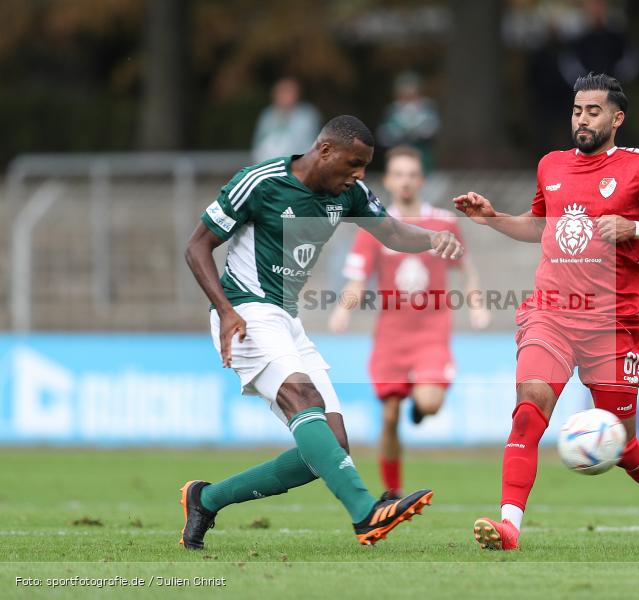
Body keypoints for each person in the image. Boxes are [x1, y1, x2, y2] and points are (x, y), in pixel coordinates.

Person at [181, 116, 463, 549]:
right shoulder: (260, 181)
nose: (359, 175)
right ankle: (366, 513)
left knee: (330, 449)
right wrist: (225, 312)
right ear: (324, 151)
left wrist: (432, 239)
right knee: (303, 399)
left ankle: (207, 499)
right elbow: (197, 246)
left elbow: (389, 231)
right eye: (354, 164)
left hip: (287, 319)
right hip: (245, 311)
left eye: (365, 167)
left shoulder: (348, 192)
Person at [454, 72, 639, 551]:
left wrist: (637, 230)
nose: (582, 119)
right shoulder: (550, 165)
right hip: (551, 313)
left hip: (612, 324)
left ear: (617, 118)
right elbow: (541, 227)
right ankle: (509, 527)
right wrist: (492, 218)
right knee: (529, 410)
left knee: (622, 444)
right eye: (576, 110)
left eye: (593, 111)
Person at [328, 145, 490, 499]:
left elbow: (466, 269)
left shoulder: (443, 224)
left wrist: (477, 305)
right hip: (391, 335)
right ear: (388, 180)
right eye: (398, 174)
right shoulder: (374, 228)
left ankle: (419, 404)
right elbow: (357, 281)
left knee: (430, 403)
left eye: (412, 175)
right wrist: (343, 309)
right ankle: (392, 490)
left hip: (432, 331)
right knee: (388, 415)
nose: (405, 182)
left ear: (422, 181)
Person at [376, 72, 441, 171]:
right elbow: (383, 137)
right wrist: (398, 132)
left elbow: (432, 130)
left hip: (423, 160)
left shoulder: (427, 110)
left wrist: (416, 129)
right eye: (405, 96)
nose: (409, 101)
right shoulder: (393, 111)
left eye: (412, 96)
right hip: (398, 160)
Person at [252, 78, 322, 162]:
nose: (283, 96)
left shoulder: (307, 115)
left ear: (296, 95)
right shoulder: (268, 115)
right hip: (270, 164)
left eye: (288, 92)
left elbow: (309, 144)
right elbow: (259, 142)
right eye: (280, 93)